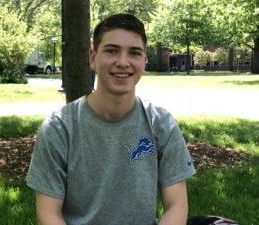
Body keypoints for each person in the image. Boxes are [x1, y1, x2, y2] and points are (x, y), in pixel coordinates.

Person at [26, 13, 195, 225]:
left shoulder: (160, 123)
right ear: (92, 58)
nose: (123, 62)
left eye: (134, 53)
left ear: (144, 62)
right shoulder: (59, 127)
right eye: (111, 51)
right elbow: (49, 214)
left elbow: (176, 205)